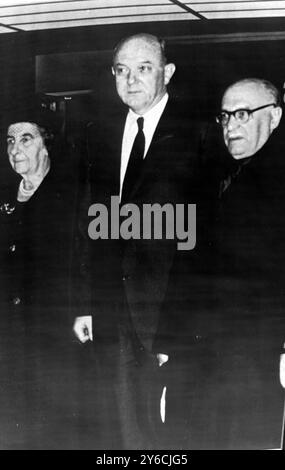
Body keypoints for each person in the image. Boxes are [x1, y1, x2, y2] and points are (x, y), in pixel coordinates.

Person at [73, 33, 203, 449]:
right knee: (123, 425)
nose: (130, 80)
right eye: (121, 70)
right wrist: (86, 305)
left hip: (172, 309)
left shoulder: (198, 133)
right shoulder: (99, 133)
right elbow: (89, 225)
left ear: (168, 72)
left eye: (143, 68)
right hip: (113, 308)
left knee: (176, 431)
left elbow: (208, 236)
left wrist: (184, 322)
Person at [159, 78, 285, 449]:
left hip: (251, 357)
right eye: (225, 116)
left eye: (243, 114)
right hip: (194, 355)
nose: (231, 126)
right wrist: (169, 342)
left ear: (275, 116)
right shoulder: (210, 173)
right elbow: (184, 263)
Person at [0, 104, 80, 449]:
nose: (15, 148)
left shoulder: (73, 195)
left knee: (54, 424)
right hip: (10, 334)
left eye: (26, 138)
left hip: (54, 331)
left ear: (47, 145)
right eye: (10, 140)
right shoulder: (4, 198)